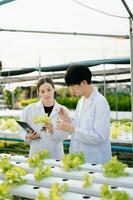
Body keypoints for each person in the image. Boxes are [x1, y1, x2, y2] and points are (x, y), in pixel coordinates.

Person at [56, 65, 112, 164]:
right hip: (80, 158)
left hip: (95, 159)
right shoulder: (81, 101)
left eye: (73, 86)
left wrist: (72, 129)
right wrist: (68, 120)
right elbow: (81, 127)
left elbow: (99, 137)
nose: (71, 89)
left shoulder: (100, 102)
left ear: (84, 82)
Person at [20, 77, 69, 159]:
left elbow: (65, 135)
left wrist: (52, 131)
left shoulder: (62, 110)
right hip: (36, 154)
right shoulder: (29, 109)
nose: (46, 94)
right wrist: (27, 136)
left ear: (54, 89)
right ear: (39, 93)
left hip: (55, 155)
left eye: (49, 90)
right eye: (42, 91)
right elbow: (20, 130)